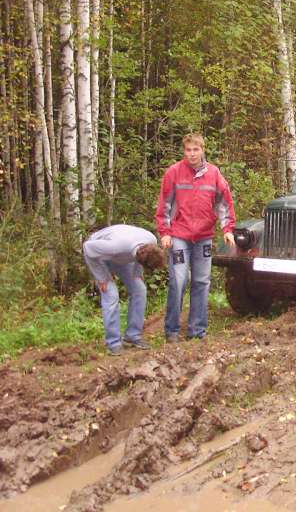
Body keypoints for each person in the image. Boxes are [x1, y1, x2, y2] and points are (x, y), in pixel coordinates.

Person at [156, 134, 236, 342]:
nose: (192, 154)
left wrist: (227, 229)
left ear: (202, 150)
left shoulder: (214, 173)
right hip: (179, 236)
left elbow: (224, 203)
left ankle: (197, 331)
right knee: (179, 281)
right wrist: (165, 232)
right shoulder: (174, 172)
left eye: (195, 150)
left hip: (203, 237)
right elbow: (164, 204)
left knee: (201, 282)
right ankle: (172, 331)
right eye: (188, 150)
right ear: (184, 151)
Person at [83, 225, 165, 355]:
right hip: (99, 255)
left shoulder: (151, 240)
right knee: (111, 294)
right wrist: (102, 278)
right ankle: (113, 343)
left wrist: (137, 273)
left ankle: (132, 336)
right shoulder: (115, 246)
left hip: (122, 256)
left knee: (139, 289)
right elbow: (88, 248)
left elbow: (141, 256)